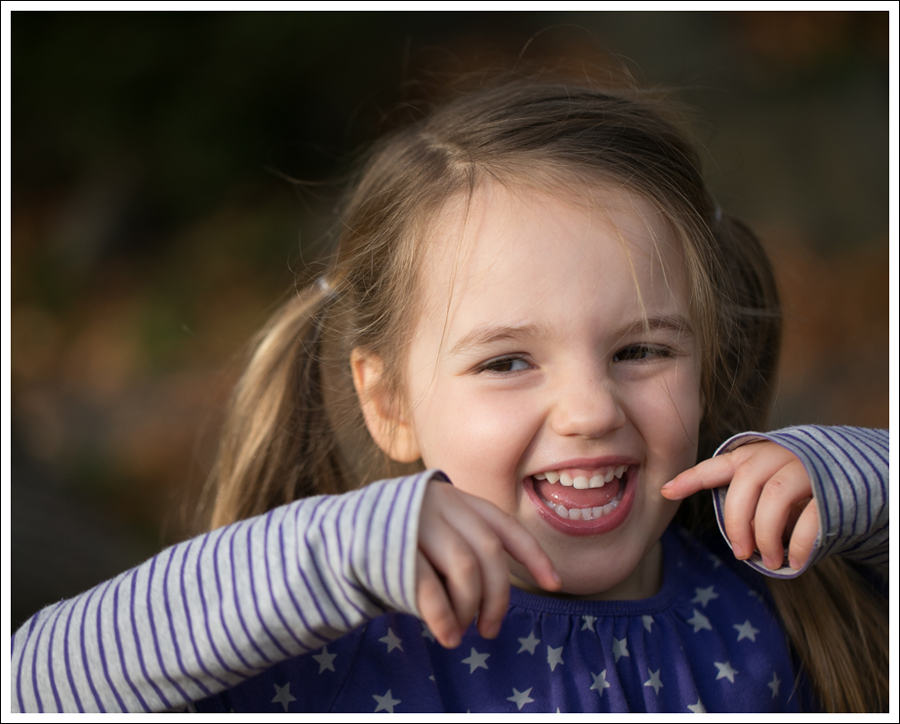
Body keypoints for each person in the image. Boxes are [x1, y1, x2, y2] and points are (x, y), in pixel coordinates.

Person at [11, 71, 888, 713]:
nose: (591, 411)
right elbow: (35, 684)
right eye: (507, 362)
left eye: (641, 350)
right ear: (388, 403)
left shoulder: (777, 599)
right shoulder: (329, 651)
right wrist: (328, 555)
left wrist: (856, 482)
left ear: (706, 361)